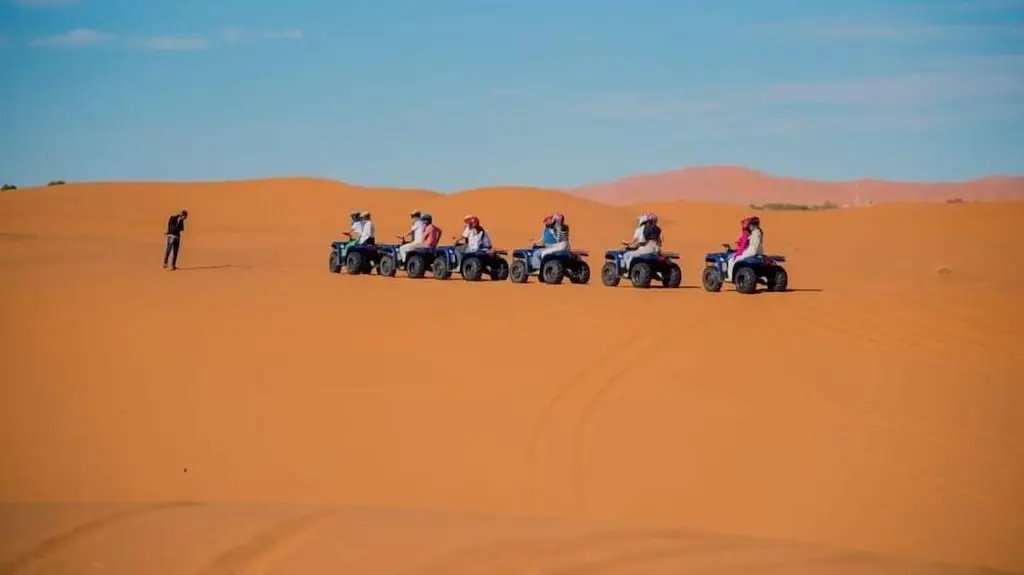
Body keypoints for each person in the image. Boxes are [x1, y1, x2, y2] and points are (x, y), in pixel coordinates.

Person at [727, 216, 763, 281]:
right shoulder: (758, 231)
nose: (749, 226)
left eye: (750, 225)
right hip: (759, 251)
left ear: (753, 225)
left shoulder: (752, 233)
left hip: (752, 251)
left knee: (732, 260)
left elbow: (744, 245)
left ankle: (730, 277)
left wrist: (737, 254)